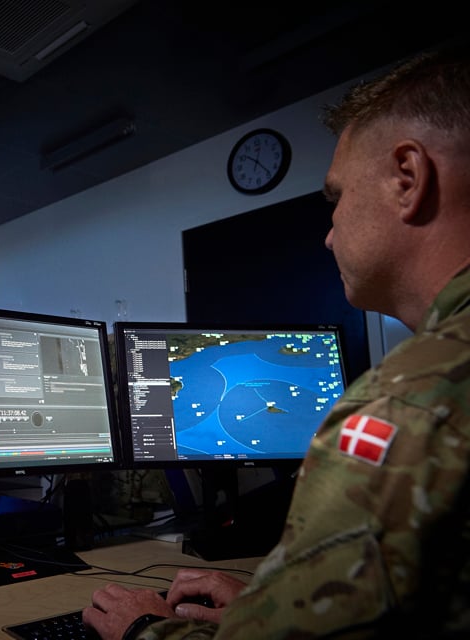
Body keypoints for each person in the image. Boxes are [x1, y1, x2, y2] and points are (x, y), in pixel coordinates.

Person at [83, 40, 470, 640]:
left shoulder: (407, 405)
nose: (328, 235)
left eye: (337, 199)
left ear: (407, 178)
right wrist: (272, 604)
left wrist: (145, 630)